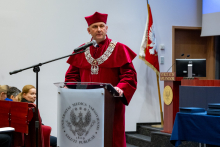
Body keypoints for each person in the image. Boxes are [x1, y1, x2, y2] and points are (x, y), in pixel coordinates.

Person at [65, 12, 137, 147]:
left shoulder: (119, 48)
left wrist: (120, 87)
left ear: (106, 28)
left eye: (102, 26)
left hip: (111, 101)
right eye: (95, 26)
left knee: (112, 135)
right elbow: (72, 75)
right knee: (88, 134)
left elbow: (129, 74)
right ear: (89, 30)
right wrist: (68, 87)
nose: (99, 29)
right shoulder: (81, 50)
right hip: (87, 103)